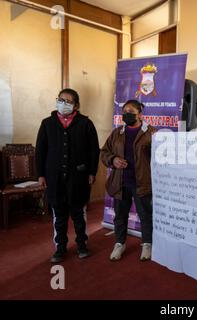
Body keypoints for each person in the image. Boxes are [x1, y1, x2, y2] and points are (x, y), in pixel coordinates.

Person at [36, 88, 100, 263]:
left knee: (79, 213)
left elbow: (94, 151)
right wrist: (40, 174)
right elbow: (40, 151)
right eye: (61, 99)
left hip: (78, 177)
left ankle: (82, 245)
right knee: (59, 215)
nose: (63, 103)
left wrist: (92, 172)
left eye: (68, 101)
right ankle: (60, 248)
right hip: (54, 177)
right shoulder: (47, 123)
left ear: (76, 105)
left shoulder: (86, 124)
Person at [101, 99, 157, 261]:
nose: (126, 115)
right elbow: (104, 153)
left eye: (130, 112)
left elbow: (161, 157)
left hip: (142, 182)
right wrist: (113, 160)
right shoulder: (117, 133)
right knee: (120, 215)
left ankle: (147, 243)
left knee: (145, 214)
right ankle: (119, 243)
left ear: (140, 114)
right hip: (121, 182)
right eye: (124, 112)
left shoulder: (152, 133)